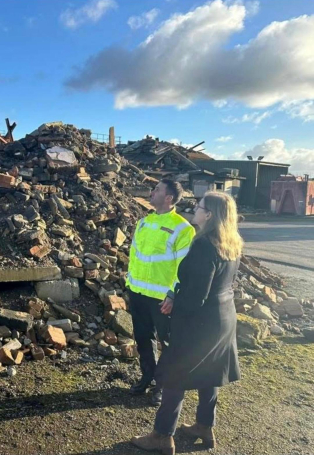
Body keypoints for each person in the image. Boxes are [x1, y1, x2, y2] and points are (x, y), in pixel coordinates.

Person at [131, 191, 243, 454]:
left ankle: (162, 434)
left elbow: (195, 298)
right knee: (210, 370)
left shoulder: (204, 246)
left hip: (200, 322)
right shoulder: (231, 242)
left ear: (209, 215)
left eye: (199, 206)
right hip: (223, 318)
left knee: (174, 374)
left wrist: (172, 315)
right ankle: (204, 426)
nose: (195, 208)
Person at [126, 179, 195, 406]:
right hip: (138, 293)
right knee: (143, 339)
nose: (151, 192)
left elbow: (183, 267)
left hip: (162, 298)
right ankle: (147, 377)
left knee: (166, 342)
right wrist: (130, 285)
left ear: (169, 198)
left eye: (157, 190)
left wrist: (173, 294)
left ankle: (162, 386)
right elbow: (135, 256)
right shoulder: (144, 222)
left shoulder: (183, 228)